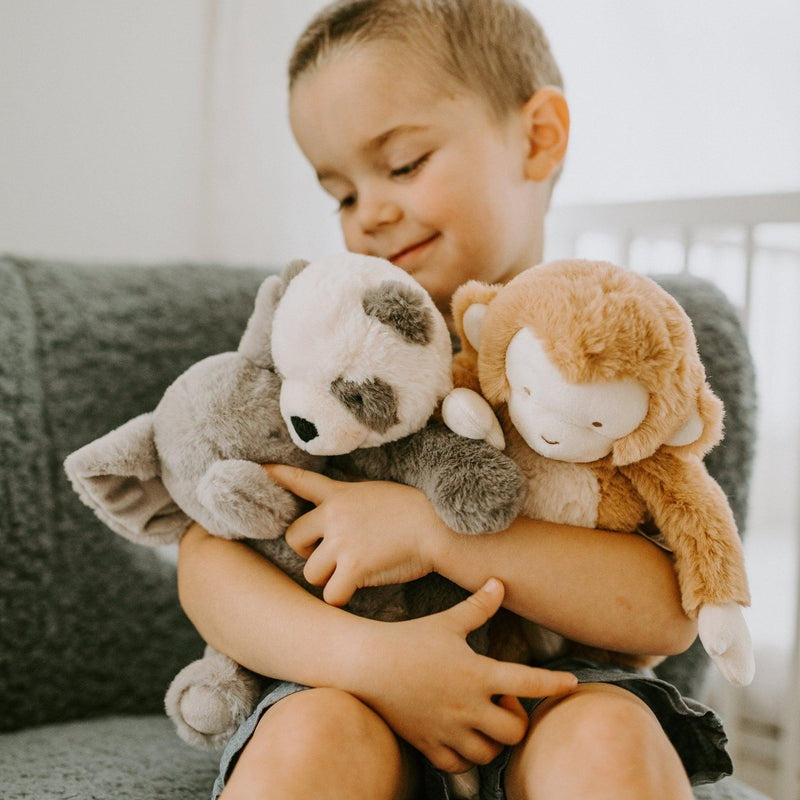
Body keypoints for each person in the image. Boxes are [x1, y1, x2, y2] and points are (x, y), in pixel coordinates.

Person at [177, 1, 733, 798]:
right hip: (349, 681)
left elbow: (670, 610)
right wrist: (370, 661)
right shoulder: (323, 338)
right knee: (316, 737)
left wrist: (437, 536)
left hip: (556, 688)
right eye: (339, 192)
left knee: (607, 735)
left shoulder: (611, 353)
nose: (368, 212)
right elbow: (207, 558)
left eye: (402, 165)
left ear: (537, 137)